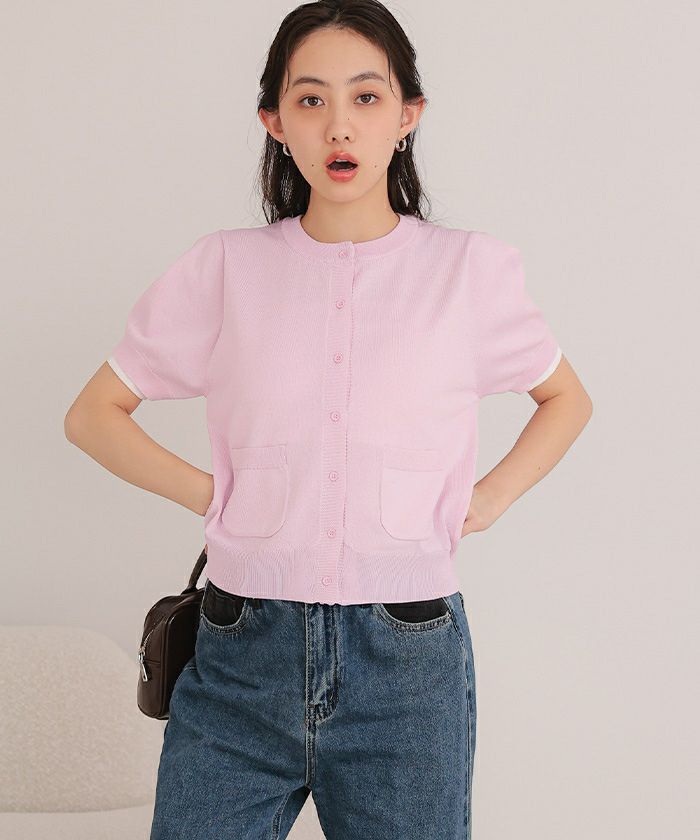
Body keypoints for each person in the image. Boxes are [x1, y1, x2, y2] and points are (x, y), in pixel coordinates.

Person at [64, 1, 592, 838]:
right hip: (240, 652)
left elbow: (565, 398)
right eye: (310, 99)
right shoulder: (225, 269)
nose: (339, 125)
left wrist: (486, 500)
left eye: (366, 97)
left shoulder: (468, 272)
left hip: (407, 663)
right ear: (274, 122)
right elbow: (94, 414)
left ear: (408, 115)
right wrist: (216, 494)